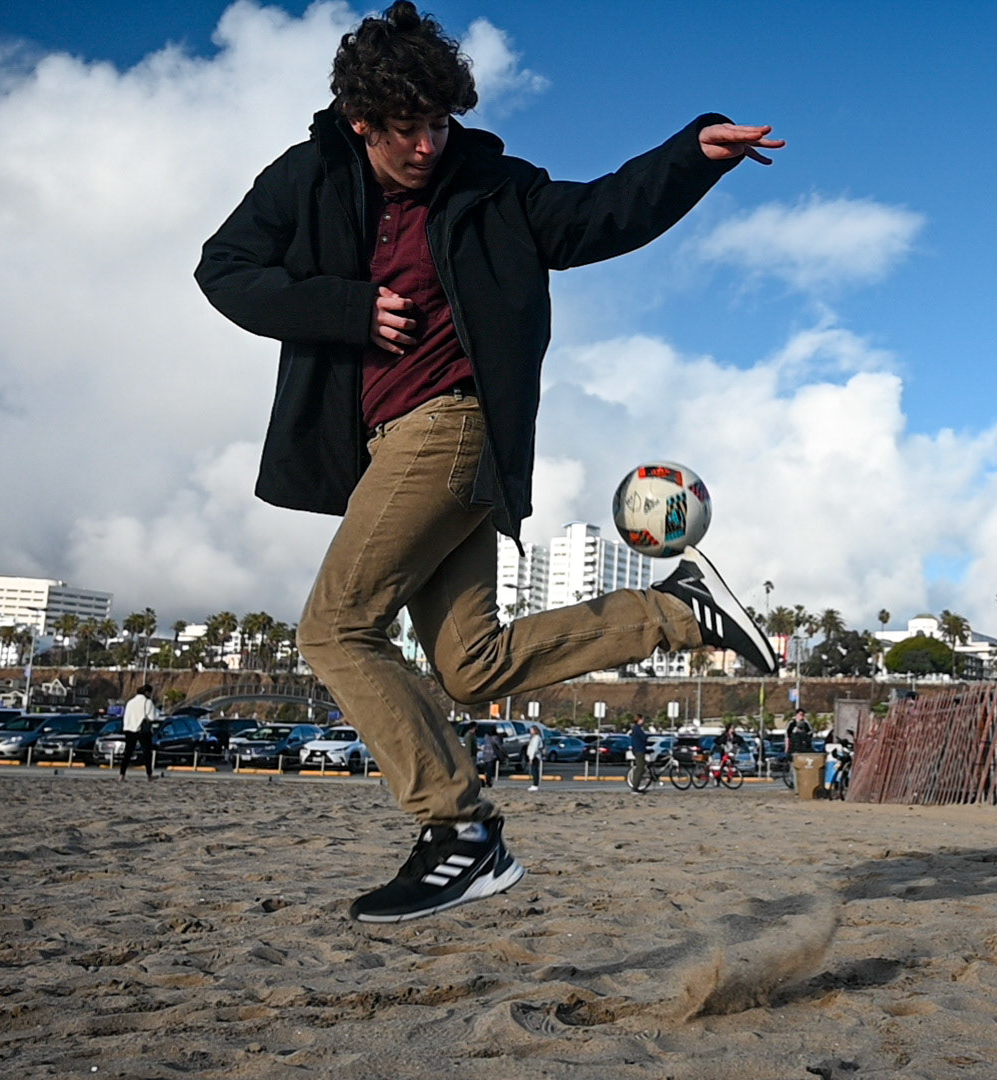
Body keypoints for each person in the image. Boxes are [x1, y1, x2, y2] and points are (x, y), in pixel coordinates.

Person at [195, 2, 782, 923]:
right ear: (361, 121)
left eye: (439, 123)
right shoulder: (307, 178)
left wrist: (690, 157)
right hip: (387, 446)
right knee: (470, 667)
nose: (427, 145)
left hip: (454, 429)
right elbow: (224, 268)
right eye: (406, 128)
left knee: (335, 630)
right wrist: (346, 308)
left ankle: (459, 831)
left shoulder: (490, 186)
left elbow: (595, 217)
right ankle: (675, 610)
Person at [118, 684, 159, 780]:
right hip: (142, 729)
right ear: (147, 692)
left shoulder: (130, 702)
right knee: (147, 752)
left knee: (128, 753)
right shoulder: (147, 702)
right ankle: (149, 774)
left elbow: (126, 717)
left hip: (129, 729)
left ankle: (122, 774)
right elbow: (152, 717)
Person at [626, 715, 650, 792]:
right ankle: (635, 787)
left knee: (642, 766)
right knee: (640, 768)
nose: (643, 721)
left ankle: (636, 783)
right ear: (639, 720)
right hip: (639, 750)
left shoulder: (636, 728)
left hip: (638, 749)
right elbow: (643, 737)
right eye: (642, 719)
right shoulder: (637, 728)